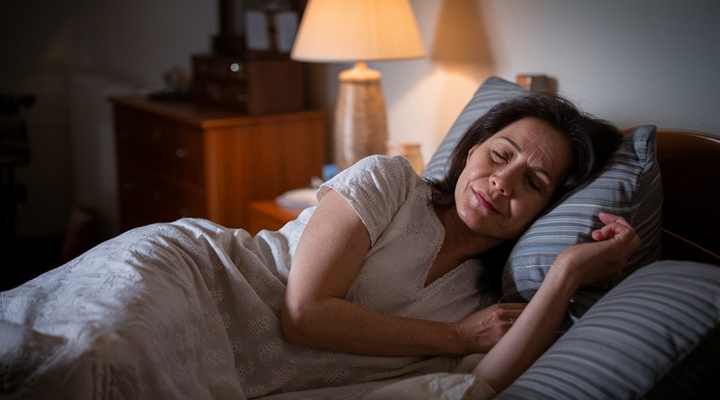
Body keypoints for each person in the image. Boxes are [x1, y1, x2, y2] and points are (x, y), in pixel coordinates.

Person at [0, 92, 635, 399]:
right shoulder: (388, 180)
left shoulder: (478, 297)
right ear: (471, 148)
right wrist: (456, 339)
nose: (502, 182)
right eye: (500, 154)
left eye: (534, 183)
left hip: (234, 375)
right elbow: (305, 315)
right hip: (196, 279)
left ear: (546, 212)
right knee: (89, 361)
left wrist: (569, 272)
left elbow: (485, 384)